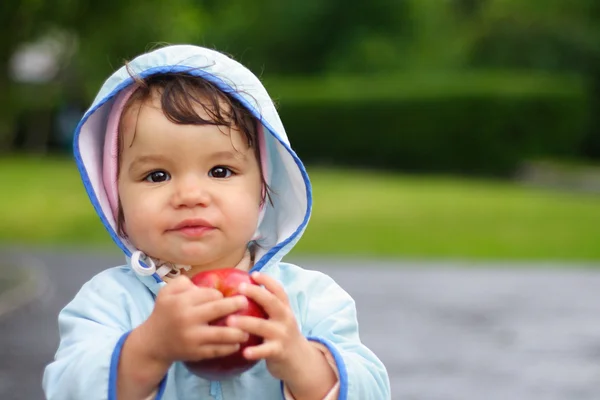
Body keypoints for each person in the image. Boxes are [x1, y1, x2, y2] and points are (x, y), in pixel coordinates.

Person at [43, 44, 390, 400]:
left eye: (220, 171)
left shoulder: (307, 301)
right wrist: (148, 349)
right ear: (114, 198)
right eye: (157, 175)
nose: (191, 195)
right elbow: (67, 388)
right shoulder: (108, 303)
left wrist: (301, 360)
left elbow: (373, 390)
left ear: (262, 189)